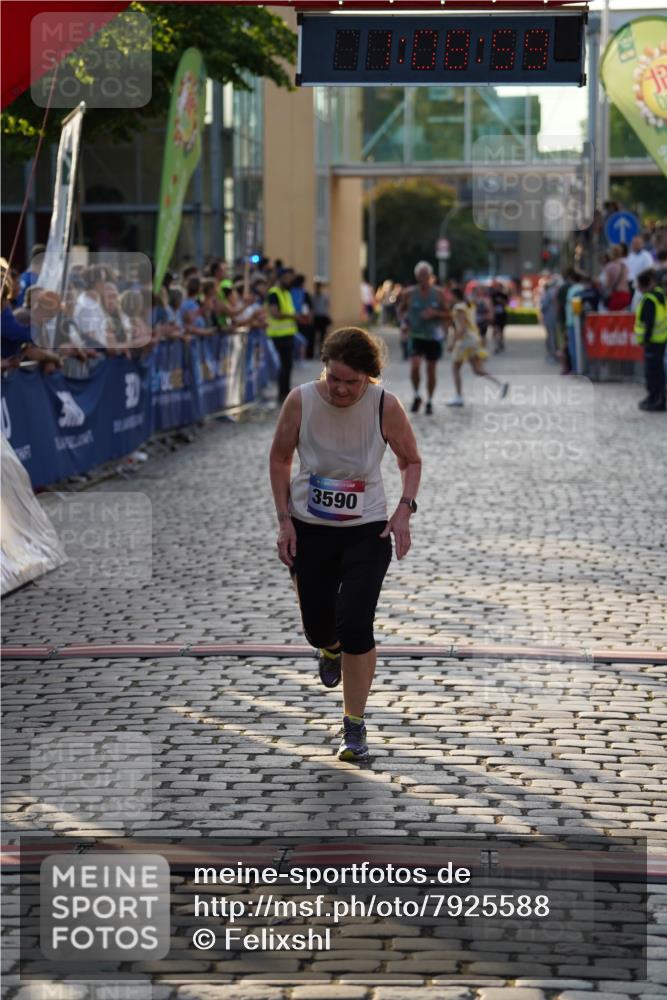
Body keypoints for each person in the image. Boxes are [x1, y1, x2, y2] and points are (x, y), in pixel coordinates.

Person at [269, 326, 422, 762]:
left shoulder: (383, 406)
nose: (339, 389)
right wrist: (285, 522)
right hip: (310, 527)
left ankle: (354, 724)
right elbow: (280, 459)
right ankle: (327, 647)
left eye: (350, 382)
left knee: (356, 622)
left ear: (369, 379)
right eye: (333, 378)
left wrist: (404, 510)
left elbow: (410, 459)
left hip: (367, 530)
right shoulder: (301, 400)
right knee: (319, 627)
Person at [398, 261, 449, 415]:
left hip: (433, 337)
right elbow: (400, 312)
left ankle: (430, 400)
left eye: (425, 275)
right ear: (417, 276)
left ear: (430, 276)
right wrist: (403, 323)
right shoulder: (409, 293)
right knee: (415, 365)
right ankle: (416, 395)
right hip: (416, 335)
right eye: (420, 275)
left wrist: (435, 314)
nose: (423, 278)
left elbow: (448, 314)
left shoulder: (439, 293)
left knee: (431, 370)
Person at [446, 286, 508, 406]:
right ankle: (500, 383)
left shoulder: (459, 308)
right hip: (473, 339)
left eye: (450, 296)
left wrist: (453, 342)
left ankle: (458, 396)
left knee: (455, 368)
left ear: (455, 296)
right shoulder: (468, 305)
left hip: (465, 341)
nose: (448, 298)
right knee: (477, 369)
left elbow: (462, 328)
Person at [634, 268, 666, 412]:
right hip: (661, 339)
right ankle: (656, 397)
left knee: (653, 373)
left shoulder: (649, 299)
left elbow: (649, 322)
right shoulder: (660, 294)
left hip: (652, 340)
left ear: (642, 285)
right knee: (657, 371)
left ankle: (655, 399)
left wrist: (645, 339)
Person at [267, 267, 298, 404]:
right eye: (287, 278)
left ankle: (286, 391)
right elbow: (275, 313)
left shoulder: (286, 293)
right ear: (280, 278)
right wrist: (292, 316)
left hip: (288, 334)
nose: (289, 281)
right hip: (278, 336)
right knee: (283, 366)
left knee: (288, 365)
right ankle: (282, 394)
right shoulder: (274, 293)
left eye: (290, 278)